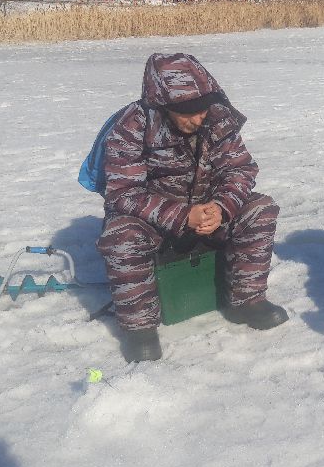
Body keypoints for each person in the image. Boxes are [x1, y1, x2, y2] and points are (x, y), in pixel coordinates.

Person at [96, 53, 287, 362]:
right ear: (162, 104)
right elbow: (123, 192)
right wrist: (182, 216)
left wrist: (222, 207)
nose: (198, 118)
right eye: (187, 112)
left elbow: (241, 169)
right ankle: (140, 329)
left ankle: (247, 299)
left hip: (209, 210)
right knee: (120, 235)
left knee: (260, 209)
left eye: (201, 110)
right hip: (153, 221)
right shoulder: (132, 126)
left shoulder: (216, 118)